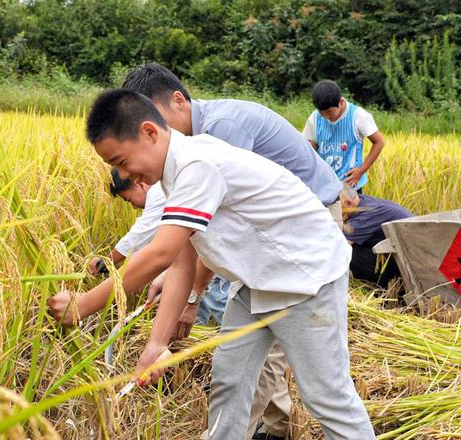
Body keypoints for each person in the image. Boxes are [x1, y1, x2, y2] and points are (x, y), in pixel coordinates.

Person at [49, 89, 375, 440]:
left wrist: (84, 305)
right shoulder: (173, 175)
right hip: (257, 284)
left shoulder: (196, 165)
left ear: (149, 132)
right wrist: (156, 346)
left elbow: (159, 253)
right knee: (230, 381)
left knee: (327, 398)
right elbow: (180, 265)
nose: (125, 174)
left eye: (122, 162)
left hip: (306, 280)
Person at [121, 63, 345, 438]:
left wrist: (192, 295)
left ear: (178, 101)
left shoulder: (217, 136)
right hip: (262, 244)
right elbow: (192, 240)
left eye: (154, 127)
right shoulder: (185, 154)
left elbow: (211, 225)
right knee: (236, 367)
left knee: (306, 376)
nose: (152, 139)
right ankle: (266, 428)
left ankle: (273, 429)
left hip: (302, 239)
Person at [303, 80, 385, 192]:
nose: (326, 117)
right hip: (325, 186)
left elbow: (379, 142)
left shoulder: (357, 116)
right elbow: (311, 147)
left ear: (341, 102)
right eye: (322, 114)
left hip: (351, 185)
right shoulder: (315, 118)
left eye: (329, 112)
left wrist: (361, 171)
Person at [87, 168, 166, 275]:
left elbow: (139, 234)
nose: (134, 207)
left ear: (140, 185)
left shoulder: (158, 194)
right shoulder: (161, 188)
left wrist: (104, 263)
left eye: (129, 200)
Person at [340, 186, 413, 288]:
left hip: (408, 259)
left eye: (338, 206)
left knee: (352, 255)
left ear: (348, 203)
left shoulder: (364, 218)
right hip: (402, 248)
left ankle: (386, 289)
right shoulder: (362, 200)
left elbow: (338, 244)